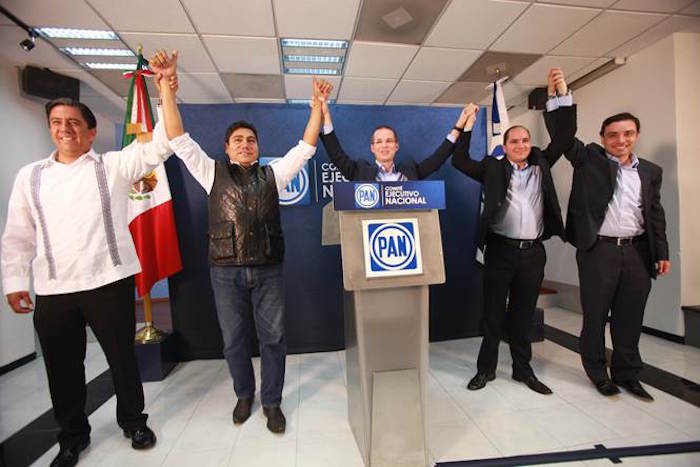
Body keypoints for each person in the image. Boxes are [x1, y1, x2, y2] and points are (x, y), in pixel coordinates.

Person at [1, 53, 182, 467]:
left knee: (122, 360)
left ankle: (134, 422)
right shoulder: (30, 177)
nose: (65, 130)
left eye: (74, 123)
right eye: (57, 123)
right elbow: (18, 234)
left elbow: (164, 143)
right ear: (50, 129)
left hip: (108, 281)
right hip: (54, 290)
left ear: (90, 131)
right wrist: (14, 281)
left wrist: (165, 89)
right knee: (63, 370)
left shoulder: (113, 166)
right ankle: (71, 436)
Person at [151, 49, 330, 433]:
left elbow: (306, 148)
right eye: (238, 140)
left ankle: (272, 402)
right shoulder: (210, 173)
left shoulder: (274, 175)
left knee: (274, 339)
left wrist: (316, 106)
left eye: (251, 140)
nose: (245, 144)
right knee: (233, 342)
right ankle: (244, 394)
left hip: (267, 271)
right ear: (227, 148)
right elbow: (178, 138)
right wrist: (166, 86)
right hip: (225, 272)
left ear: (258, 148)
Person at [451, 69, 576, 395]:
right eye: (513, 141)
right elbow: (459, 161)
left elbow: (564, 137)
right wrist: (464, 125)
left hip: (533, 253)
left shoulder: (541, 163)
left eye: (524, 140)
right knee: (493, 315)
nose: (520, 145)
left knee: (522, 315)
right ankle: (485, 370)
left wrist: (560, 96)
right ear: (504, 146)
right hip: (500, 251)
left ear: (529, 144)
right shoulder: (492, 167)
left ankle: (523, 370)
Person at [547, 83, 670, 401]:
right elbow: (562, 137)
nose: (621, 140)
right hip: (598, 250)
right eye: (613, 135)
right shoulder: (589, 158)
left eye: (627, 133)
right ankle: (599, 374)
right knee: (596, 316)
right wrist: (561, 97)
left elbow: (654, 213)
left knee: (630, 317)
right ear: (603, 138)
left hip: (638, 251)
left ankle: (628, 374)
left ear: (636, 135)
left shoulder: (650, 172)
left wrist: (662, 252)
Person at [319, 97, 469, 181]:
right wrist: (325, 115)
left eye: (389, 141)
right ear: (372, 148)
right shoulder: (359, 171)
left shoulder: (410, 171)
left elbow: (438, 158)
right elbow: (336, 153)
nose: (384, 146)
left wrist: (459, 126)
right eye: (379, 142)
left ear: (396, 146)